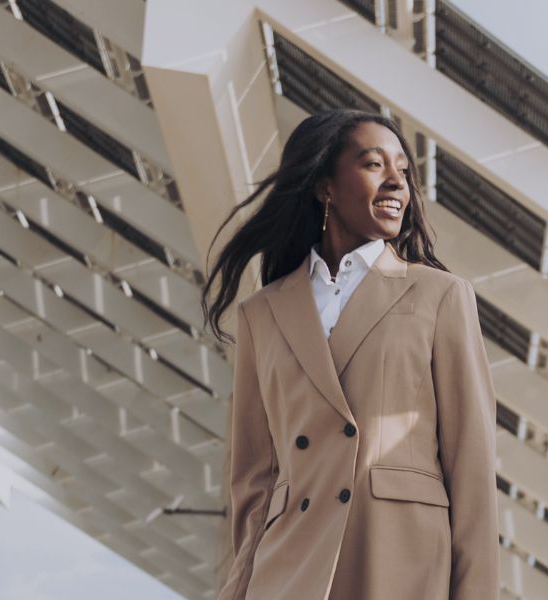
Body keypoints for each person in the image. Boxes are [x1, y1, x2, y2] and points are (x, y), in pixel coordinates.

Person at [203, 109, 499, 600]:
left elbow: (472, 465)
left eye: (403, 171)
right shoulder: (262, 313)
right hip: (289, 568)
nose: (396, 184)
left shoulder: (440, 295)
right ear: (324, 187)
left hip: (396, 561)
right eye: (373, 165)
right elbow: (254, 481)